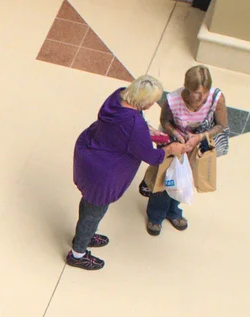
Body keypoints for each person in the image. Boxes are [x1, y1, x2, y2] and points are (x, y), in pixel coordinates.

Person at [67, 75, 193, 271]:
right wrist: (171, 149)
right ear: (143, 101)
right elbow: (151, 156)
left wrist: (149, 131)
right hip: (103, 173)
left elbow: (133, 131)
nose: (152, 104)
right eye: (151, 101)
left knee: (89, 205)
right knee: (94, 212)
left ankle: (85, 235)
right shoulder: (132, 123)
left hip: (90, 154)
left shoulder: (118, 96)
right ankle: (78, 253)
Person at [141, 65, 229, 236]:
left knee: (183, 179)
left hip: (196, 145)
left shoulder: (217, 99)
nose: (200, 98)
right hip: (175, 142)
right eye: (196, 93)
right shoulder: (173, 100)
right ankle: (156, 215)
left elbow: (221, 125)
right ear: (187, 88)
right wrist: (176, 134)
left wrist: (200, 137)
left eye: (204, 93)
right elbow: (165, 120)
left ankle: (174, 211)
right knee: (165, 179)